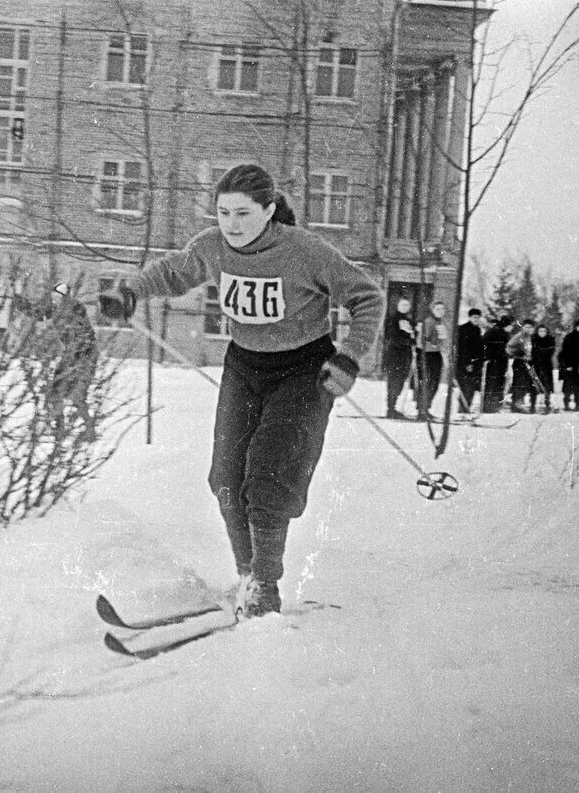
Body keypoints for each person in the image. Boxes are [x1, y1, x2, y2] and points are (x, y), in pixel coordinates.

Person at [97, 163, 385, 618]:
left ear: (270, 211)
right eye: (223, 213)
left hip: (304, 371)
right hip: (245, 365)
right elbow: (174, 272)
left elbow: (367, 296)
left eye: (244, 214)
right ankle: (249, 573)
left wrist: (349, 356)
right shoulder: (213, 247)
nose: (231, 225)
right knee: (226, 478)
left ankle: (265, 589)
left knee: (269, 478)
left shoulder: (304, 251)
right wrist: (129, 292)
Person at [47, 282, 99, 439]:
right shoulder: (62, 312)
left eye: (57, 297)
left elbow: (80, 337)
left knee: (76, 396)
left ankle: (88, 431)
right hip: (72, 356)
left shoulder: (74, 311)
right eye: (53, 297)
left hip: (83, 357)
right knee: (57, 391)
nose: (53, 300)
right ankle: (61, 427)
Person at [414, 301, 448, 420]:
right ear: (432, 310)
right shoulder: (428, 321)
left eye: (442, 309)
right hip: (426, 355)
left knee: (434, 383)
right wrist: (433, 343)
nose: (440, 311)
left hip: (436, 354)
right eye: (437, 309)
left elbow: (442, 339)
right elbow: (423, 338)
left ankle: (426, 408)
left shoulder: (441, 322)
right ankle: (422, 410)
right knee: (427, 382)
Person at [383, 296, 415, 419]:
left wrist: (412, 338)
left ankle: (394, 407)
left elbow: (411, 336)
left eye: (407, 305)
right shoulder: (393, 319)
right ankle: (390, 409)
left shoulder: (408, 320)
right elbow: (392, 337)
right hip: (394, 355)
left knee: (401, 381)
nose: (405, 307)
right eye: (402, 305)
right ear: (398, 306)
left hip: (405, 355)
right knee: (394, 381)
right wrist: (406, 341)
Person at [455, 308, 487, 413]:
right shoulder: (463, 329)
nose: (476, 319)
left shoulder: (477, 329)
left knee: (472, 386)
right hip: (465, 363)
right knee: (466, 387)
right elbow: (463, 348)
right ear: (470, 317)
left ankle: (466, 407)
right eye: (474, 317)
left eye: (477, 317)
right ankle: (462, 409)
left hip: (475, 363)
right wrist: (467, 363)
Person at [482, 315, 513, 413]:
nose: (512, 327)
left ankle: (495, 405)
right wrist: (487, 357)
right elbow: (484, 344)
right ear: (506, 324)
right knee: (493, 382)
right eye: (511, 325)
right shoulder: (494, 332)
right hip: (494, 362)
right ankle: (488, 406)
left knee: (498, 382)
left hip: (501, 362)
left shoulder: (503, 333)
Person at [557, 319, 579, 411]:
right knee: (568, 387)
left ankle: (578, 405)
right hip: (570, 366)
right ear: (576, 327)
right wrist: (567, 365)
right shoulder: (570, 337)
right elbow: (565, 352)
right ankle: (566, 404)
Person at [506, 318, 537, 413]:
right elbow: (509, 347)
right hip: (520, 363)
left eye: (530, 328)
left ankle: (521, 404)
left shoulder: (531, 337)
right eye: (526, 327)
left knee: (528, 384)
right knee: (519, 384)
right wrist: (517, 354)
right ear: (523, 327)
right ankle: (516, 405)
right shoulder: (519, 336)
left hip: (528, 363)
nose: (528, 329)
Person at [531, 323, 557, 413]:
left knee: (547, 386)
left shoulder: (550, 340)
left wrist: (539, 352)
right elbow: (532, 352)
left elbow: (550, 351)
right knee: (534, 385)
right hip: (536, 365)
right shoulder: (533, 339)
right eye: (540, 331)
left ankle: (547, 404)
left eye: (544, 331)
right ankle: (532, 405)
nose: (542, 333)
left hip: (546, 366)